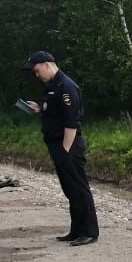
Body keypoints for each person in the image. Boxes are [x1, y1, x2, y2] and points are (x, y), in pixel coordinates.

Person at [23, 51, 98, 246]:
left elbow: (72, 121)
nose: (36, 75)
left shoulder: (66, 86)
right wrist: (40, 109)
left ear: (47, 64)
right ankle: (76, 230)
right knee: (69, 189)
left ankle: (89, 231)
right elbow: (55, 112)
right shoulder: (52, 86)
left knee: (79, 188)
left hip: (68, 146)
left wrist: (65, 150)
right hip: (57, 144)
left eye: (37, 70)